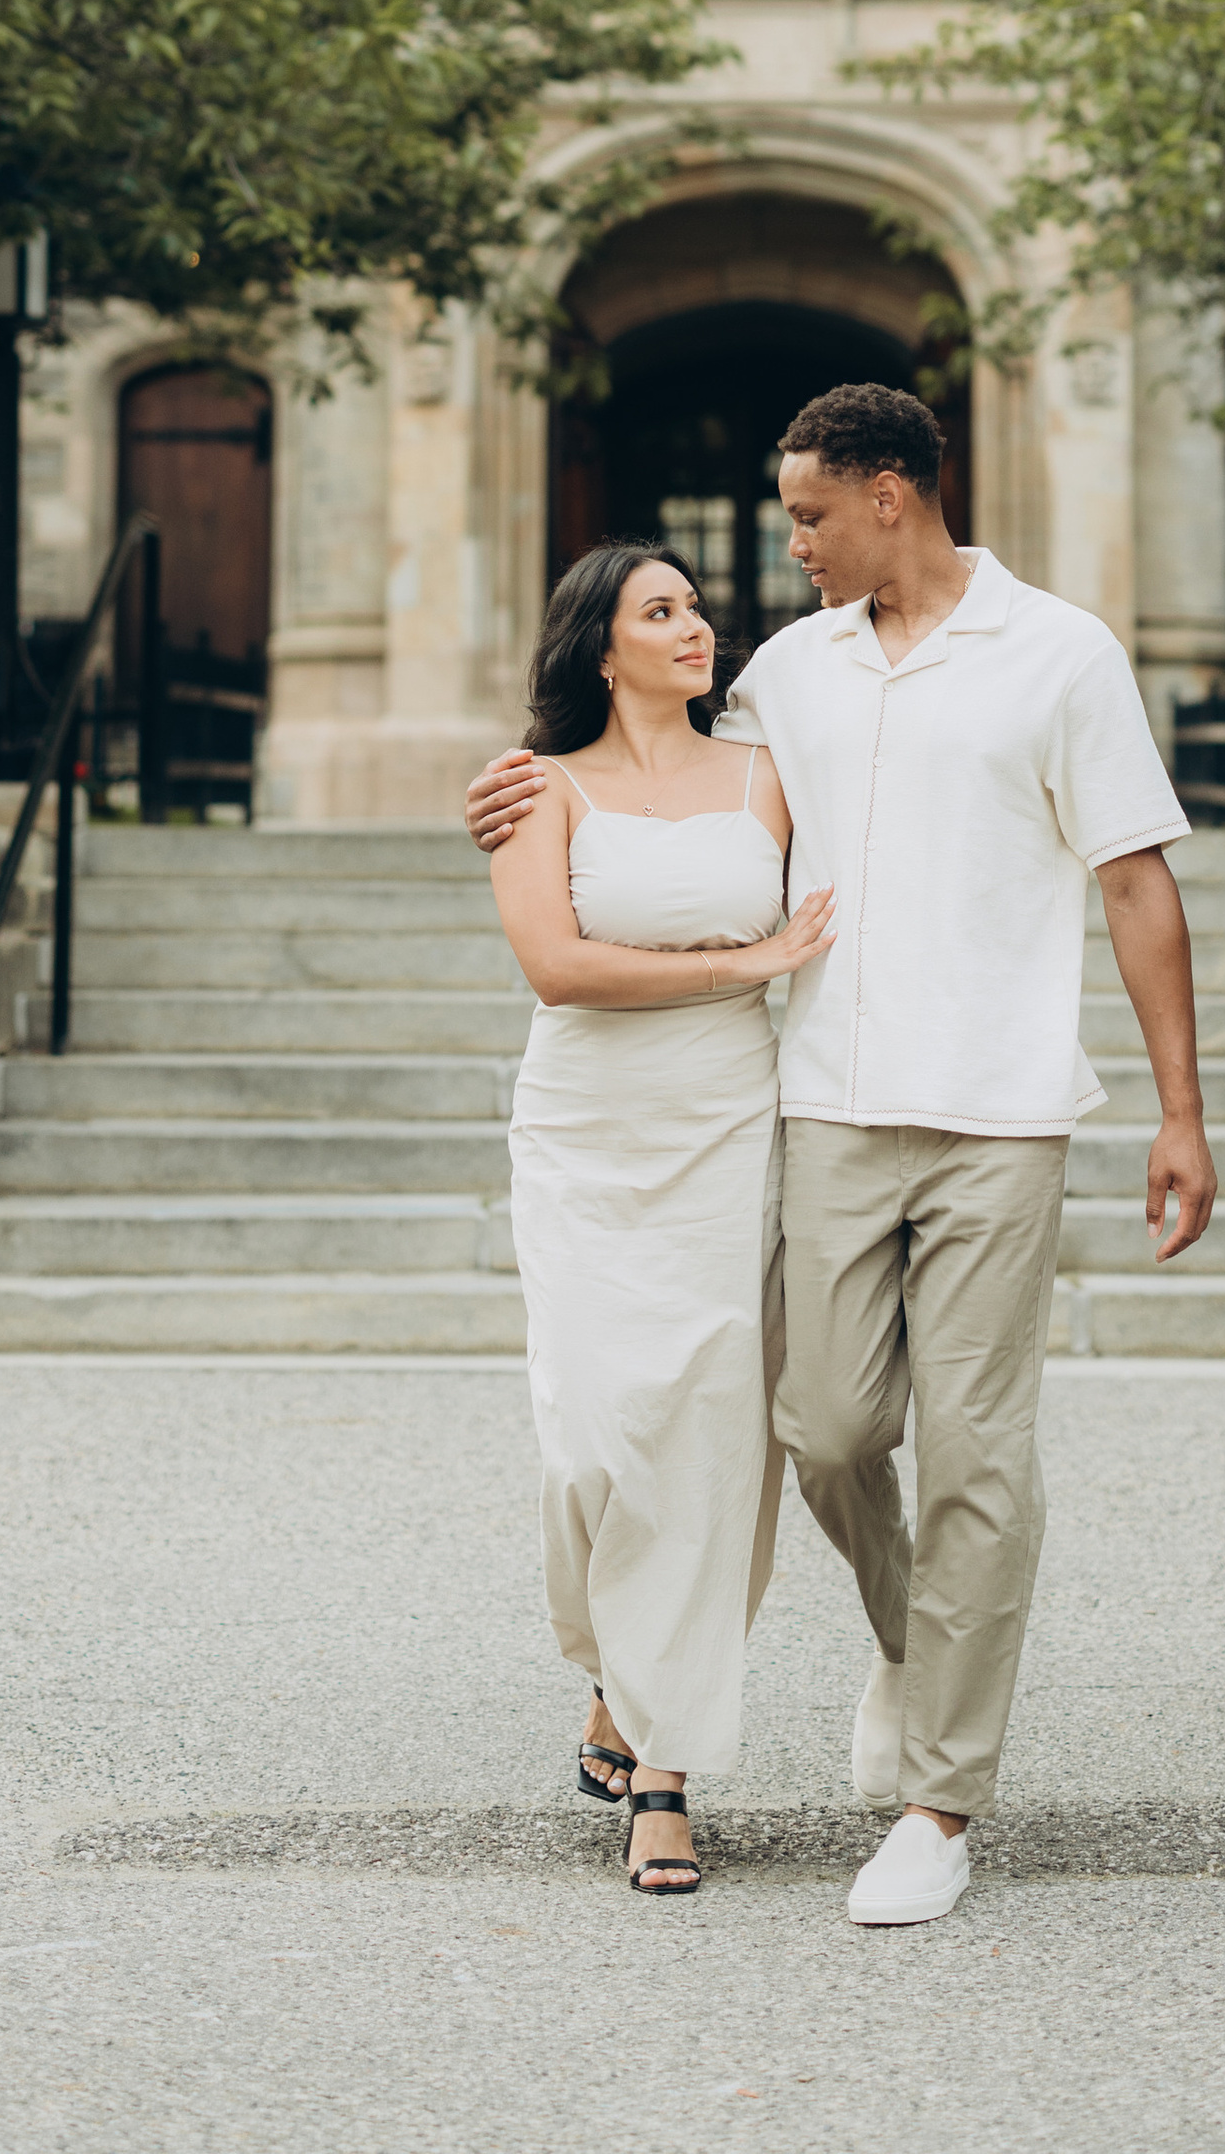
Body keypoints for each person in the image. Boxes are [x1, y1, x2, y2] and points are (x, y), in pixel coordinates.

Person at [469, 381, 1214, 1925]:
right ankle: (918, 1642)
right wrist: (514, 776)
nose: (787, 545)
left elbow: (1139, 884)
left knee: (979, 1454)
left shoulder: (1064, 653)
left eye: (808, 512)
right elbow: (653, 780)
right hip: (819, 1102)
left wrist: (1180, 1111)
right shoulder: (790, 680)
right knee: (817, 1426)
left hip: (1001, 1108)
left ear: (893, 493)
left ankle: (941, 1806)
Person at [485, 538, 833, 1896]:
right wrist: (749, 962)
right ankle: (613, 1675)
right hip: (584, 1131)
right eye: (662, 610)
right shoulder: (537, 787)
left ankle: (664, 1769)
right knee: (588, 1437)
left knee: (703, 1437)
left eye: (695, 606)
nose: (696, 626)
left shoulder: (768, 772)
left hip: (730, 1125)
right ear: (601, 645)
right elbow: (558, 970)